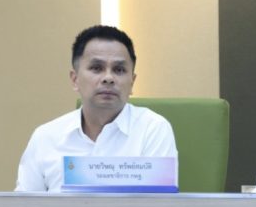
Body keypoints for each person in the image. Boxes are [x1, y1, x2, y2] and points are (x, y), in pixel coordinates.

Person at [16, 25, 177, 192]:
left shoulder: (153, 130)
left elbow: (158, 205)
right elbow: (24, 206)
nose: (108, 78)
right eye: (96, 68)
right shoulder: (45, 138)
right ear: (75, 79)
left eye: (119, 70)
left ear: (132, 82)